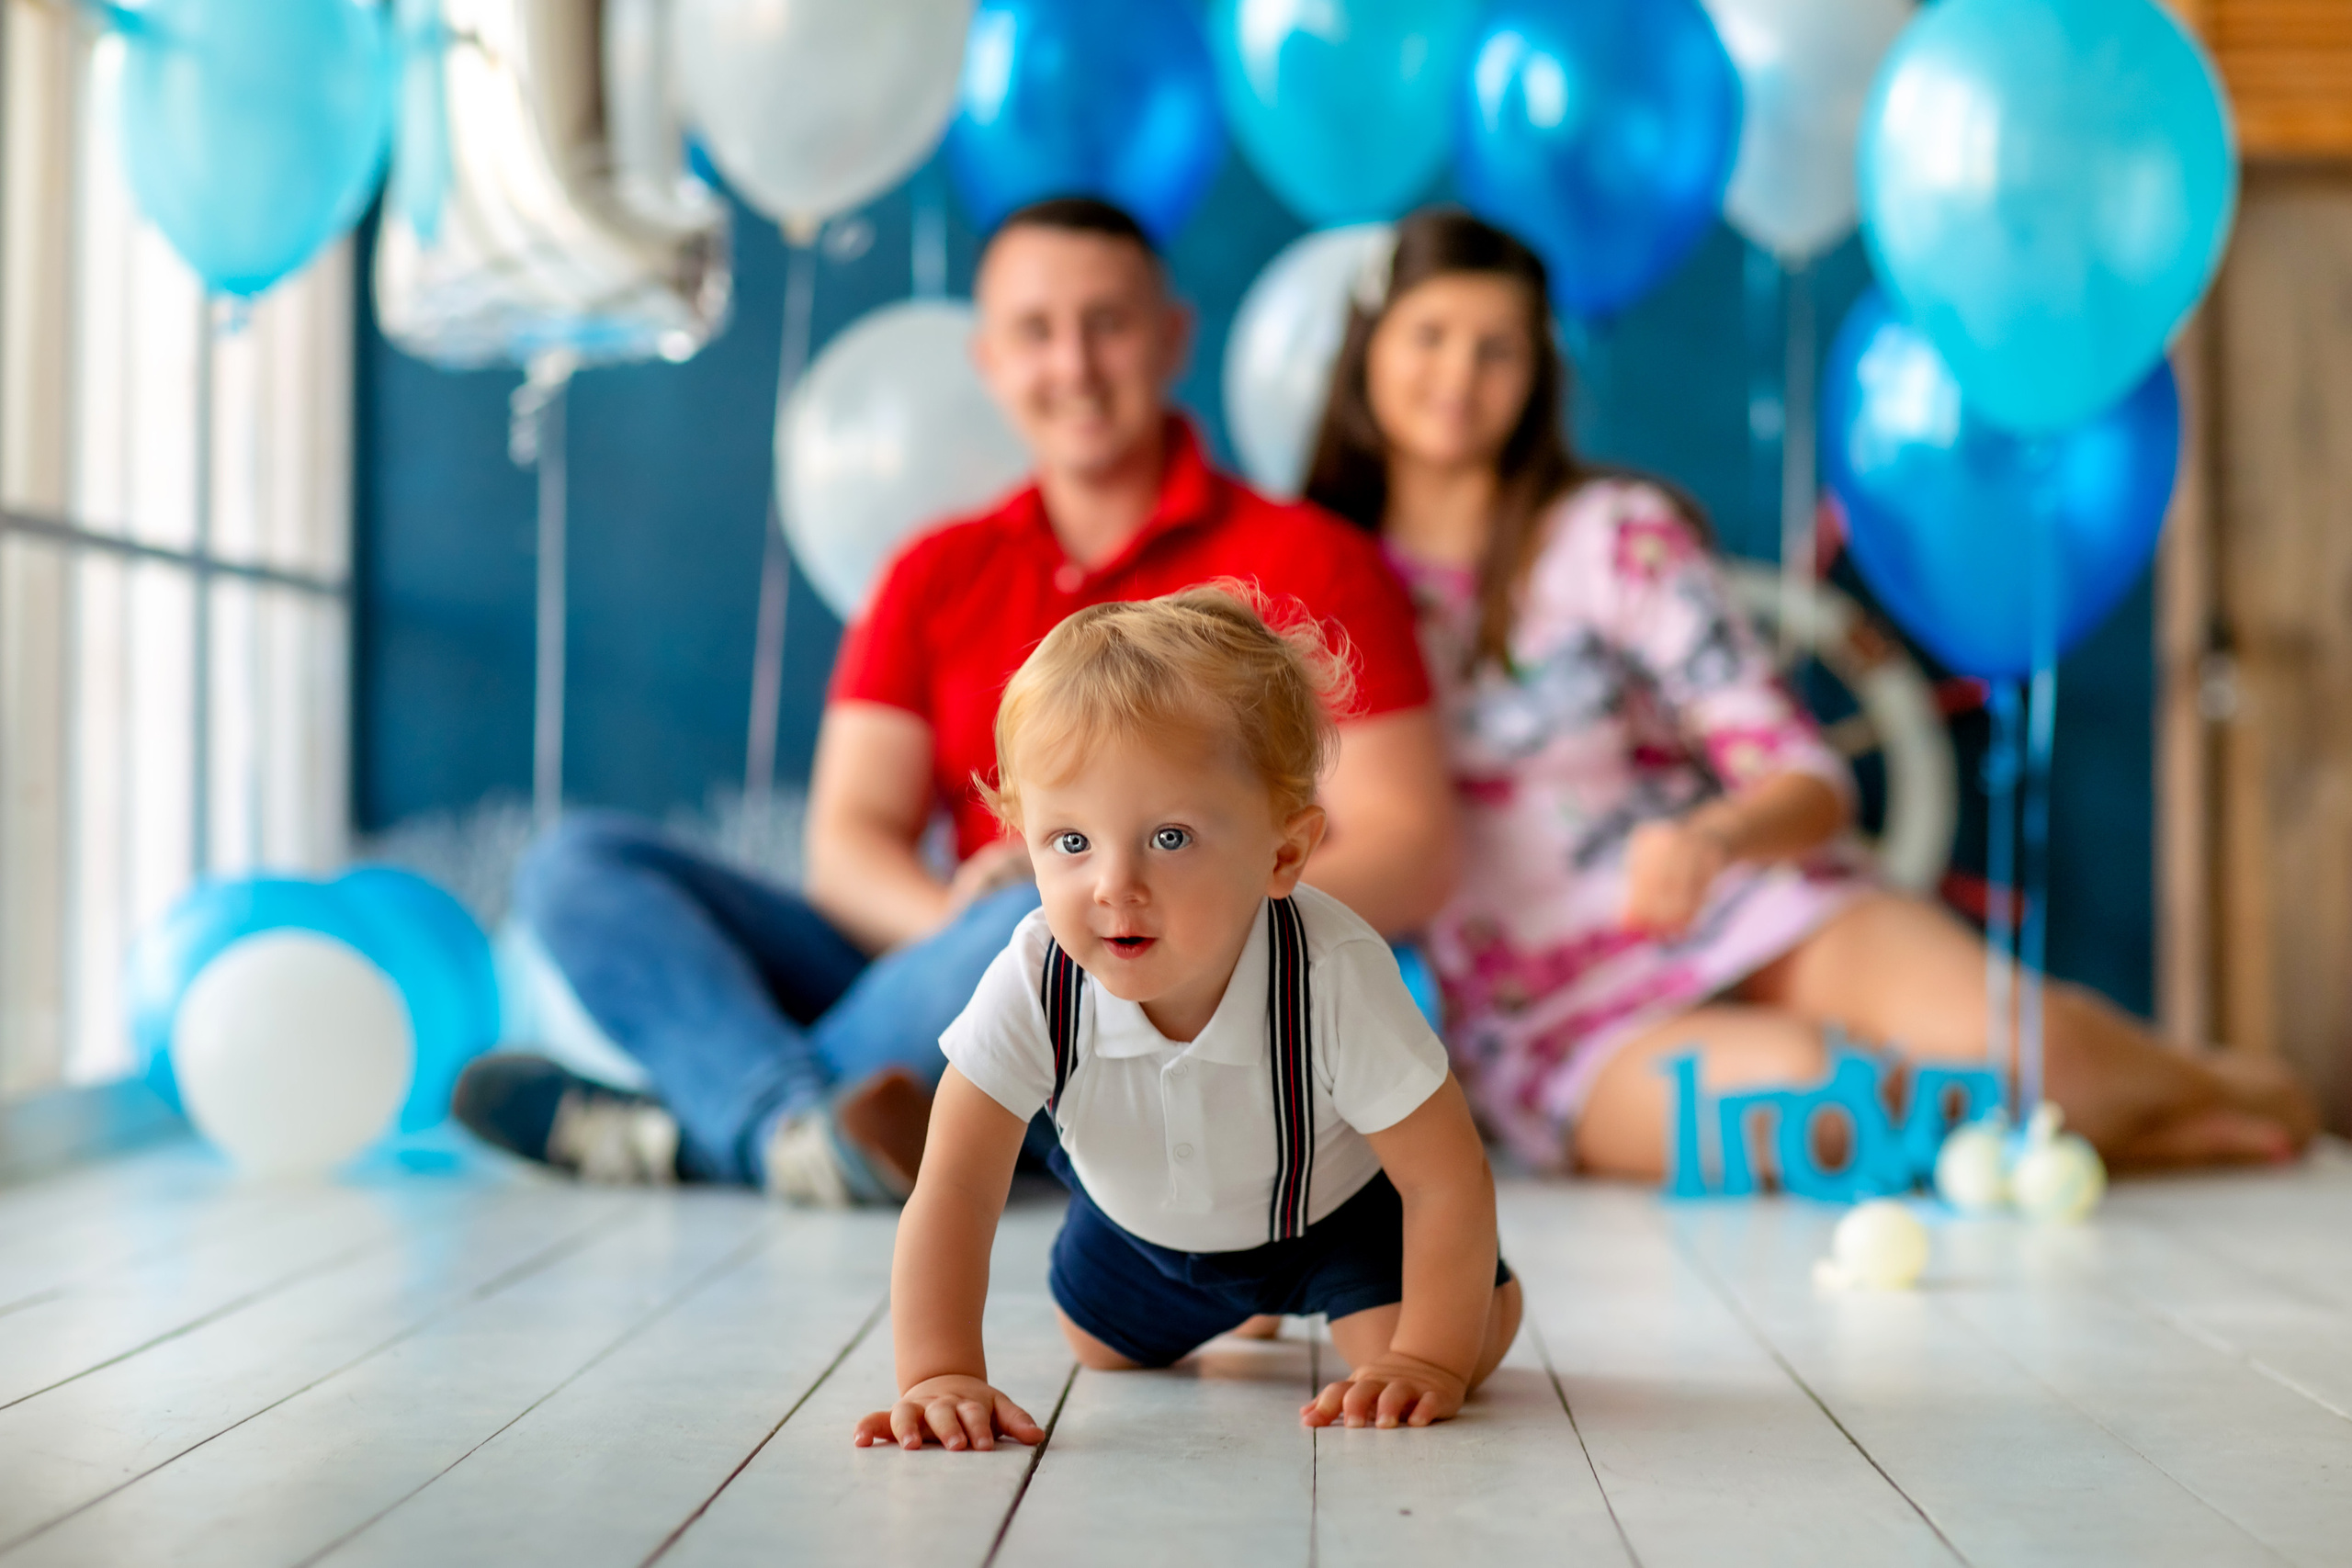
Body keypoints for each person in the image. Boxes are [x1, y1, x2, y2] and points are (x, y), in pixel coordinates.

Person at [454, 197, 1456, 1203]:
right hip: (936, 960)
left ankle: (717, 1122)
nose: (1073, 364)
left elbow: (1409, 847)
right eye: (1035, 332)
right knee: (576, 869)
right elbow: (849, 841)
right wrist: (952, 916)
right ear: (987, 361)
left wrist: (1152, 913)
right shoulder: (934, 571)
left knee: (1050, 912)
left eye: (1106, 323)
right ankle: (794, 1128)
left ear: (1170, 338)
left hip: (1158, 978)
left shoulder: (1307, 558)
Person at [1302, 206, 2316, 1179]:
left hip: (1747, 904)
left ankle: (2207, 1088)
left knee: (2036, 1052)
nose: (1458, 377)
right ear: (1366, 347)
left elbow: (1805, 775)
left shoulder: (1612, 534)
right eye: (1428, 336)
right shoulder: (1316, 574)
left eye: (1497, 348)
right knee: (1828, 1105)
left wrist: (1715, 841)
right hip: (1549, 1017)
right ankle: (2118, 1137)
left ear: (1538, 374)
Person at [854, 590, 1519, 1452]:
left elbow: (1445, 1175)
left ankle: (1487, 1304)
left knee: (1401, 1361)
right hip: (1146, 1229)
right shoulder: (1035, 976)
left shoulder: (1331, 971)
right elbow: (955, 1184)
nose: (1113, 885)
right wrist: (939, 1370)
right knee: (1100, 1348)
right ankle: (1228, 1306)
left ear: (1282, 853)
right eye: (1071, 841)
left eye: (1170, 838)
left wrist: (1432, 1358)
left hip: (1333, 1218)